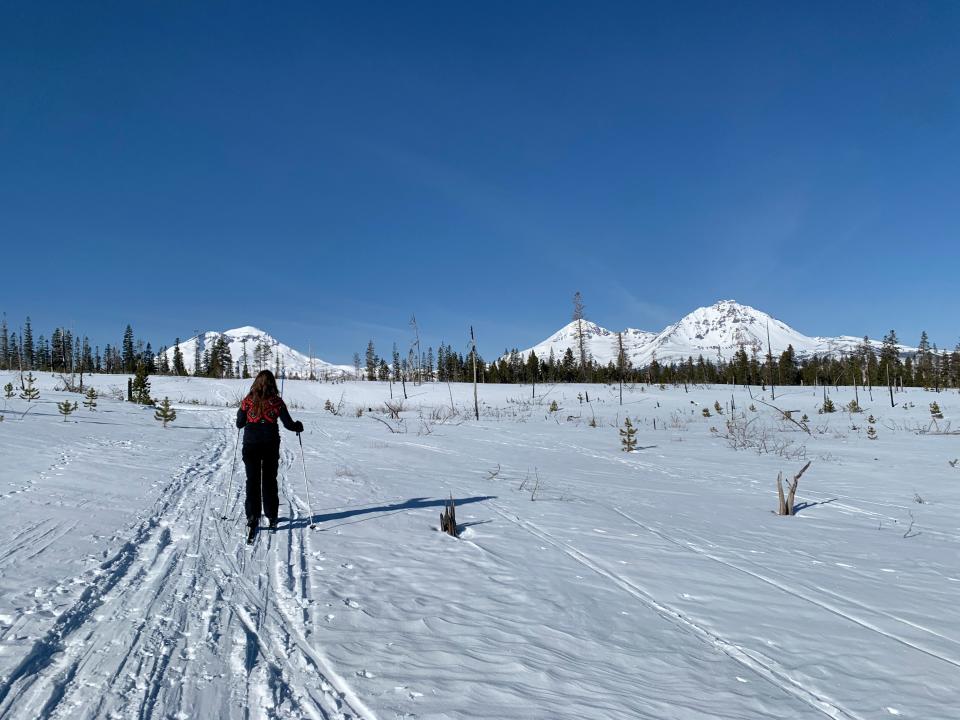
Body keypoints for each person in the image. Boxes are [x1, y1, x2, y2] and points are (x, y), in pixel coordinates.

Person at [235, 370, 303, 530]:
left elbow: (239, 423)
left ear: (256, 383)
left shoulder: (247, 401)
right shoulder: (277, 402)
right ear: (273, 383)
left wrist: (248, 419)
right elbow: (288, 424)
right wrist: (298, 426)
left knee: (252, 479)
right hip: (270, 444)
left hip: (251, 444)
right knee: (269, 480)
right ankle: (271, 515)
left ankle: (252, 516)